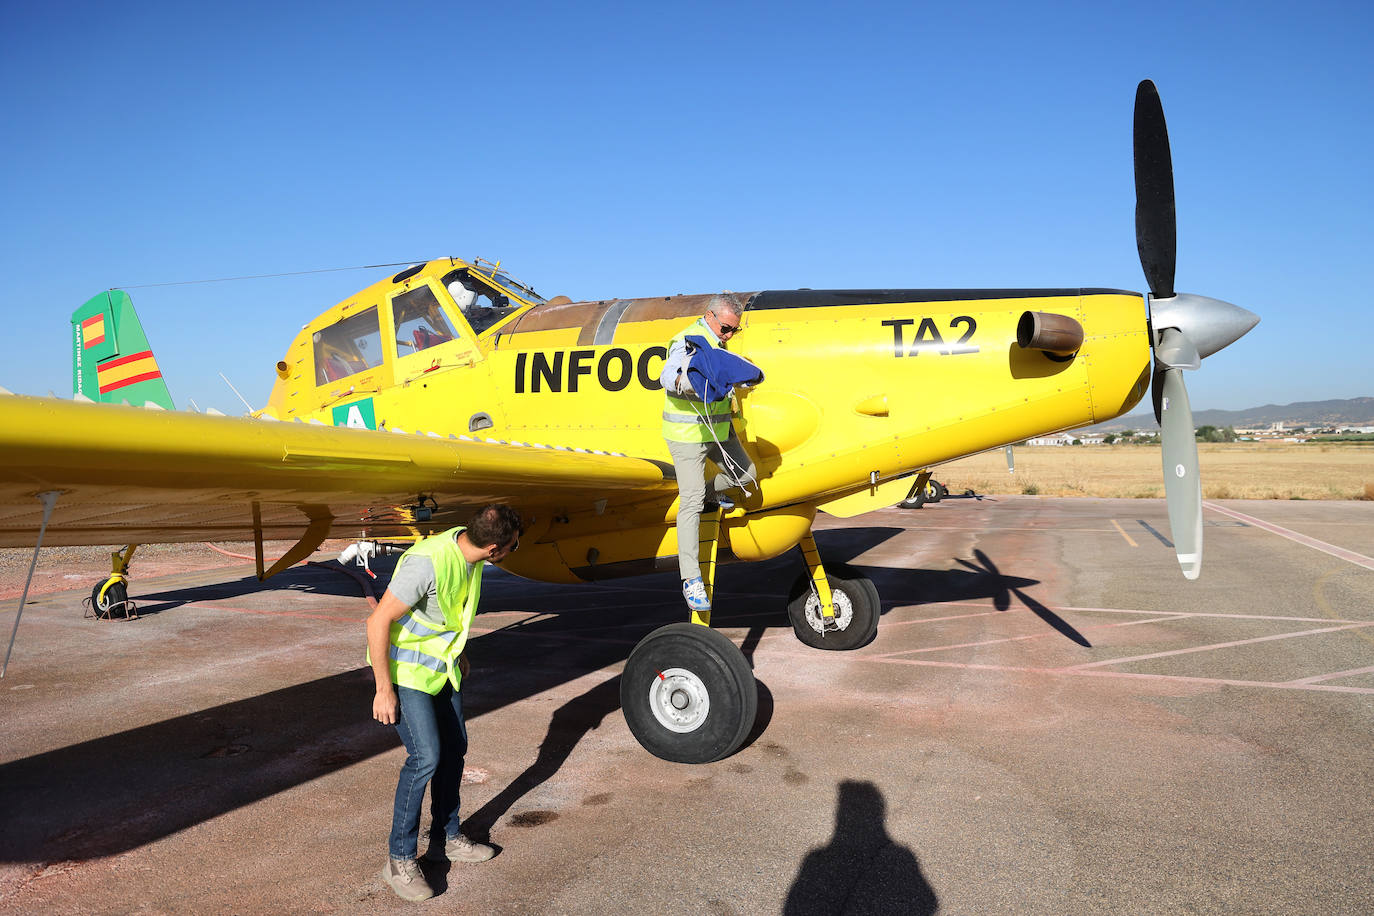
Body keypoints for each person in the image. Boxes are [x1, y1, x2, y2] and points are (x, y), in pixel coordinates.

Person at [366, 503, 523, 902]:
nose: (511, 555)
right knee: (426, 758)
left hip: (442, 669)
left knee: (454, 751)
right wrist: (384, 689)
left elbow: (449, 614)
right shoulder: (427, 562)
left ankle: (446, 839)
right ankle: (398, 859)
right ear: (494, 549)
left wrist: (459, 651)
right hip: (407, 673)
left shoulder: (467, 553)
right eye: (513, 548)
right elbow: (378, 621)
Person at [660, 293, 759, 614]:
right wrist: (685, 382)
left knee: (747, 477)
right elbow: (668, 374)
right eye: (727, 328)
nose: (729, 335)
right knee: (689, 504)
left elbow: (722, 378)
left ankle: (704, 493)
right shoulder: (688, 341)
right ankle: (691, 579)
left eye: (734, 331)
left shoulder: (719, 343)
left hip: (718, 432)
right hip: (687, 435)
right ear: (710, 316)